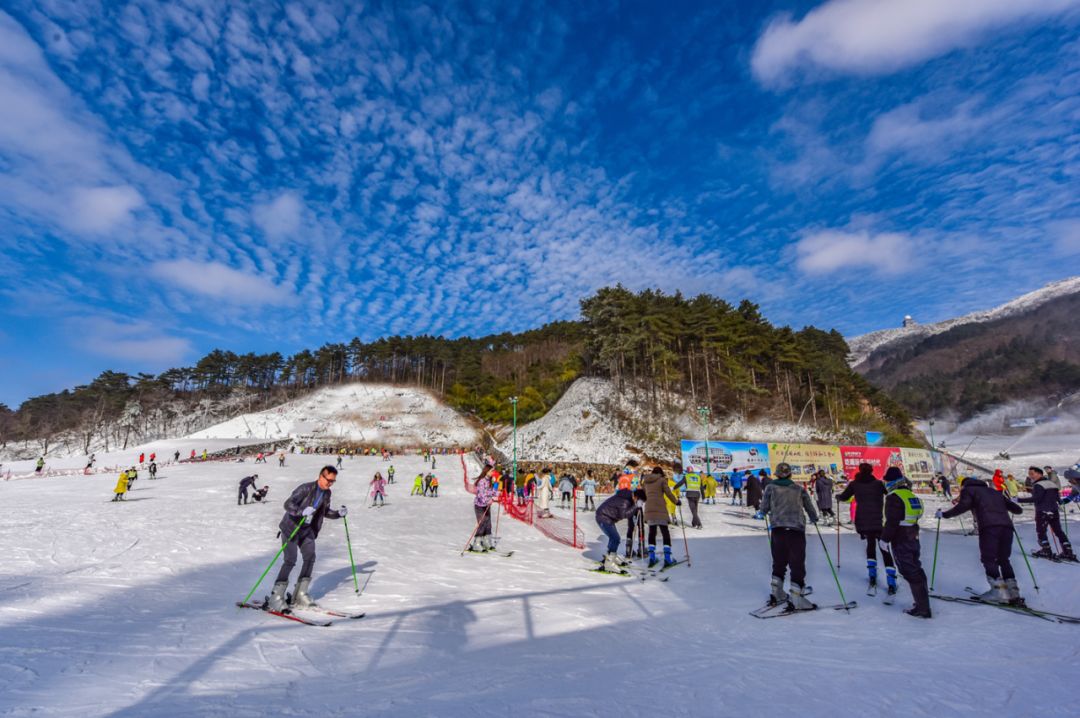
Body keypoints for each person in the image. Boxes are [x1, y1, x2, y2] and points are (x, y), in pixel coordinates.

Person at [267, 466, 347, 611]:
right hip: (291, 528)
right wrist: (301, 511)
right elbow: (288, 504)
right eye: (328, 480)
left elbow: (325, 511)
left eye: (333, 481)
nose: (330, 483)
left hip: (307, 531)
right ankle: (276, 597)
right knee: (290, 560)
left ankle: (300, 594)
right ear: (321, 476)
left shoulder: (327, 493)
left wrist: (338, 514)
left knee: (310, 558)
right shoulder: (305, 488)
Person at [939, 473, 1024, 604]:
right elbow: (1017, 510)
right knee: (1003, 559)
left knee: (989, 559)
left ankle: (999, 592)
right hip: (1007, 528)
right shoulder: (994, 491)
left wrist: (944, 515)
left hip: (989, 527)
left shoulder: (969, 490)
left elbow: (963, 506)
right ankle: (1013, 593)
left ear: (964, 486)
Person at [754, 462, 818, 610]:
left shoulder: (770, 488)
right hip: (796, 529)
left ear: (776, 474)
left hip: (778, 529)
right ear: (790, 474)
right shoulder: (798, 489)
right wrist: (814, 518)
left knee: (779, 561)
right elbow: (809, 506)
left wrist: (762, 513)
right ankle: (797, 597)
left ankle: (777, 593)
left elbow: (763, 507)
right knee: (797, 563)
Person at [838, 463, 897, 597]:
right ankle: (891, 581)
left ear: (860, 470)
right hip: (878, 521)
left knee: (870, 545)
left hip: (863, 522)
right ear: (872, 471)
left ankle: (872, 575)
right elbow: (892, 493)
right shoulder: (878, 484)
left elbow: (844, 497)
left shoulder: (855, 484)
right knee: (884, 549)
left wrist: (838, 497)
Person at [881, 469, 931, 618]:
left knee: (910, 571)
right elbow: (918, 513)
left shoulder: (894, 497)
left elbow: (892, 521)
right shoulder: (911, 495)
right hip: (913, 535)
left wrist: (884, 539)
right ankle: (922, 603)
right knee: (916, 569)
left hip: (901, 537)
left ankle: (923, 609)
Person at [1018, 466, 1075, 561]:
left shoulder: (1038, 485)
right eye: (1029, 474)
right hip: (1054, 511)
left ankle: (1046, 550)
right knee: (1058, 531)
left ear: (1039, 474)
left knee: (1041, 531)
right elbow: (1058, 499)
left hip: (1042, 511)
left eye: (1032, 474)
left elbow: (1036, 498)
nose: (1030, 476)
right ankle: (1068, 551)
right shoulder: (1052, 484)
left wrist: (1018, 500)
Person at [596, 487, 648, 571]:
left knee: (614, 538)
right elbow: (623, 514)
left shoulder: (627, 498)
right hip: (603, 517)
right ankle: (609, 562)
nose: (641, 504)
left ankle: (611, 556)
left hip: (607, 518)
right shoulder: (625, 501)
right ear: (636, 498)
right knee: (615, 538)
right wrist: (635, 506)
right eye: (641, 502)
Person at [642, 466, 680, 568]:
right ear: (660, 473)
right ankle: (667, 559)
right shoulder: (662, 480)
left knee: (652, 532)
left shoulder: (645, 481)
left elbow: (643, 494)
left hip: (649, 509)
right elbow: (668, 493)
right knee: (665, 532)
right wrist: (676, 501)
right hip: (660, 508)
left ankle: (652, 557)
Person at [468, 464, 498, 551]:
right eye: (491, 471)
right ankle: (477, 543)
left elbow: (491, 492)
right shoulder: (482, 481)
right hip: (480, 505)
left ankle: (486, 542)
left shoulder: (489, 481)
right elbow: (481, 495)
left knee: (488, 524)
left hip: (486, 505)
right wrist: (487, 500)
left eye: (493, 471)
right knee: (482, 523)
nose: (493, 472)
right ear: (487, 471)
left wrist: (495, 487)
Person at [674, 464, 703, 529]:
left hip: (690, 494)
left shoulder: (686, 476)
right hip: (697, 494)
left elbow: (680, 483)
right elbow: (701, 487)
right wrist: (703, 496)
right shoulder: (698, 476)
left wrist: (674, 487)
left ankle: (699, 524)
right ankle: (694, 523)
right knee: (695, 510)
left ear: (687, 471)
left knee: (693, 510)